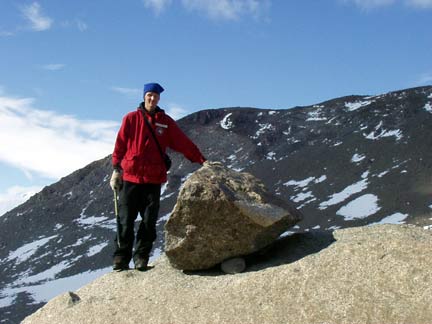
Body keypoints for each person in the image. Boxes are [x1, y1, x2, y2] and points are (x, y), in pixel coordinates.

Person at [109, 82, 206, 271]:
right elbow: (120, 145)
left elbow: (182, 143)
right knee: (125, 220)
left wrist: (201, 159)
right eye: (149, 95)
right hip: (130, 177)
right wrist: (116, 169)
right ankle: (121, 258)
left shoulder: (165, 122)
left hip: (153, 180)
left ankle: (141, 258)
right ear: (144, 96)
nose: (152, 99)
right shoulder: (130, 119)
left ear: (159, 98)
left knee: (148, 222)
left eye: (155, 96)